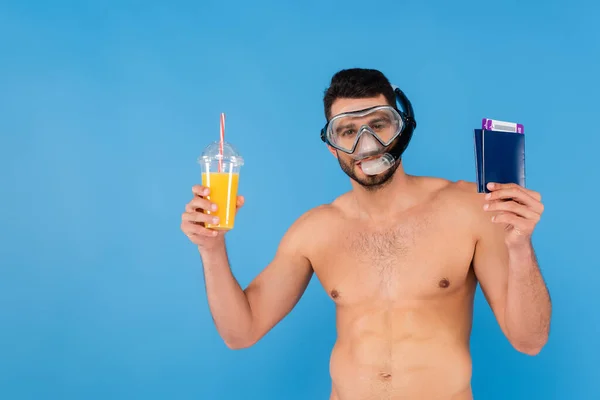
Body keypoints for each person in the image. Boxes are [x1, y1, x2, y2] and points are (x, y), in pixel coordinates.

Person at [180, 68, 552, 400]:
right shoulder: (315, 230)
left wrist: (520, 247)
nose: (366, 143)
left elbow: (530, 340)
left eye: (379, 124)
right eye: (347, 131)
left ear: (402, 127)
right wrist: (211, 249)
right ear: (332, 146)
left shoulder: (470, 209)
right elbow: (240, 333)